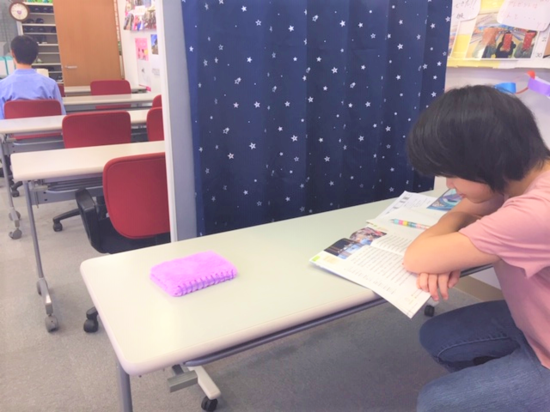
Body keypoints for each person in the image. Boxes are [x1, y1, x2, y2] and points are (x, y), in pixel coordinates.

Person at [404, 85, 550, 411]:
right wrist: (453, 247)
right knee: (438, 336)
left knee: (436, 401)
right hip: (535, 320)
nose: (449, 185)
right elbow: (475, 209)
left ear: (486, 161)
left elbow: (417, 256)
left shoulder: (537, 211)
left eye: (452, 174)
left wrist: (452, 233)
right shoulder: (527, 174)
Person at [0, 35, 65, 120]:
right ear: (35, 56)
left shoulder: (2, 86)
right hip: (47, 128)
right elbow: (61, 115)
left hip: (14, 128)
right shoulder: (51, 84)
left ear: (12, 53)